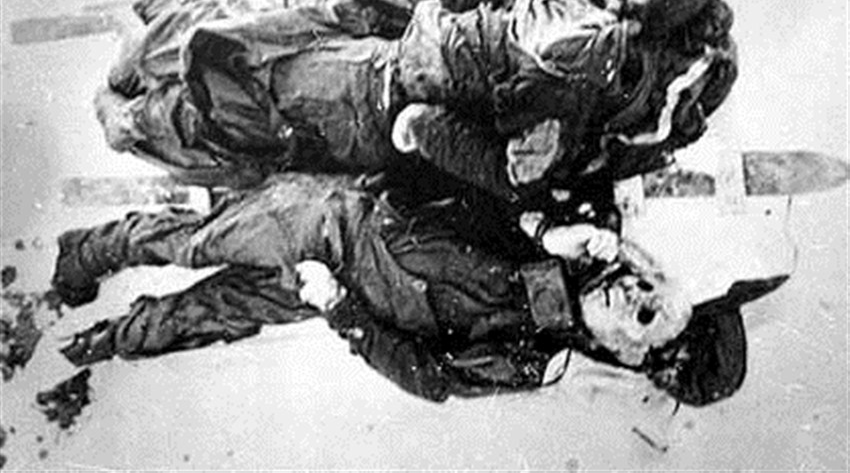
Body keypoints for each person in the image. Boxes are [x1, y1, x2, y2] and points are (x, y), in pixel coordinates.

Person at [95, 0, 736, 198]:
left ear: (625, 5)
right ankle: (139, 79)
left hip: (372, 92)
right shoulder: (563, 2)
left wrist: (426, 129)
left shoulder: (565, 56)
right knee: (264, 23)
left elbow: (514, 168)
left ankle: (130, 114)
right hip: (386, 57)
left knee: (247, 81)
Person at [51, 171, 787, 406]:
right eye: (650, 286)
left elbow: (426, 376)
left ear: (631, 354)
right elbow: (474, 185)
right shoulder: (579, 237)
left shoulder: (537, 360)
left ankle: (86, 347)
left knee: (204, 316)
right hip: (337, 218)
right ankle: (79, 258)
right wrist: (539, 228)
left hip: (329, 290)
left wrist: (339, 310)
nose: (633, 294)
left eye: (646, 316)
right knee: (195, 242)